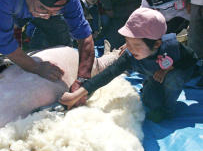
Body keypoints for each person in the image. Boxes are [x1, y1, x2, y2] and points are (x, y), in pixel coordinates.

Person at [59, 8, 198, 123]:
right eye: (127, 42)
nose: (130, 48)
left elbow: (192, 59)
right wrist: (76, 95)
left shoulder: (173, 47)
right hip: (155, 76)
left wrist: (168, 69)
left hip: (177, 72)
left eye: (136, 45)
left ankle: (168, 111)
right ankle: (151, 86)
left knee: (174, 80)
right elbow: (108, 74)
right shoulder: (130, 55)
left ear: (156, 44)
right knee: (150, 102)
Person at [0, 0, 95, 97]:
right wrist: (36, 67)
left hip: (20, 4)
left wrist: (83, 81)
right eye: (43, 9)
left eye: (55, 11)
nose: (48, 16)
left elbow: (85, 37)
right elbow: (4, 42)